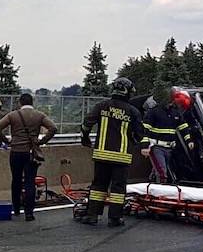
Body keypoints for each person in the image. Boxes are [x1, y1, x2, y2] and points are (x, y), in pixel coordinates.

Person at [78, 78, 142, 227]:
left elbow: (86, 124)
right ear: (127, 91)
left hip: (102, 154)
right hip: (122, 157)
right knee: (118, 189)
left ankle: (92, 215)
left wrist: (85, 139)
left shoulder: (101, 106)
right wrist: (129, 141)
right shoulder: (133, 111)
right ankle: (115, 218)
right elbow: (139, 135)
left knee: (98, 185)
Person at [0, 93, 57, 220]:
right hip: (31, 152)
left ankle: (16, 209)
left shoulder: (13, 115)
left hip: (16, 151)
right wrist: (42, 141)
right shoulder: (39, 115)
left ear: (20, 103)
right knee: (29, 181)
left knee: (16, 180)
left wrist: (7, 141)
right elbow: (53, 128)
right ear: (32, 102)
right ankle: (29, 213)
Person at [141, 87, 191, 183]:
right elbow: (145, 130)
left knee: (159, 170)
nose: (180, 107)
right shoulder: (154, 112)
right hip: (156, 147)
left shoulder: (175, 113)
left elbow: (183, 127)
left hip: (169, 149)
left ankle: (150, 186)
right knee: (162, 173)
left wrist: (189, 140)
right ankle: (159, 193)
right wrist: (145, 146)